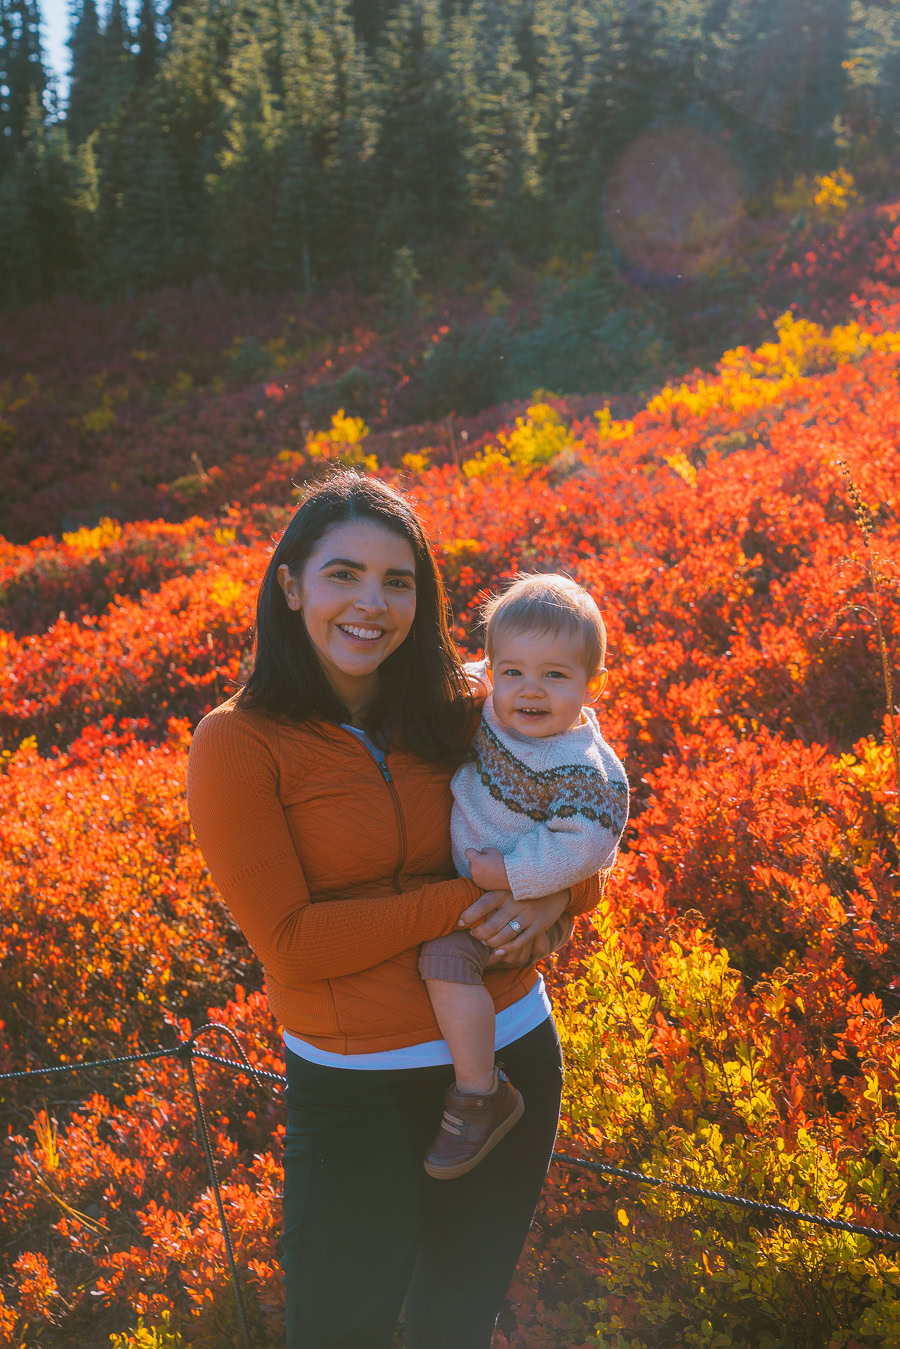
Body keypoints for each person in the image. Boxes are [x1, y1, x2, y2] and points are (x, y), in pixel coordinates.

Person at [185, 470, 609, 1349]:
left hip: (509, 1056)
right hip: (355, 1085)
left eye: (398, 580)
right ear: (291, 584)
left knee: (456, 1324)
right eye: (344, 574)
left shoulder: (465, 704)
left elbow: (582, 815)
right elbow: (295, 945)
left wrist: (566, 893)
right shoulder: (238, 741)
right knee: (340, 1329)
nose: (371, 604)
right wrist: (473, 895)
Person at [419, 573, 630, 1180]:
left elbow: (585, 846)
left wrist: (511, 873)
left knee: (443, 960)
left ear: (593, 686)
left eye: (555, 676)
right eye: (511, 672)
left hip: (511, 906)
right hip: (491, 893)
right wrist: (473, 677)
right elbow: (470, 676)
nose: (528, 691)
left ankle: (480, 1094)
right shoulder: (495, 707)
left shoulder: (582, 767)